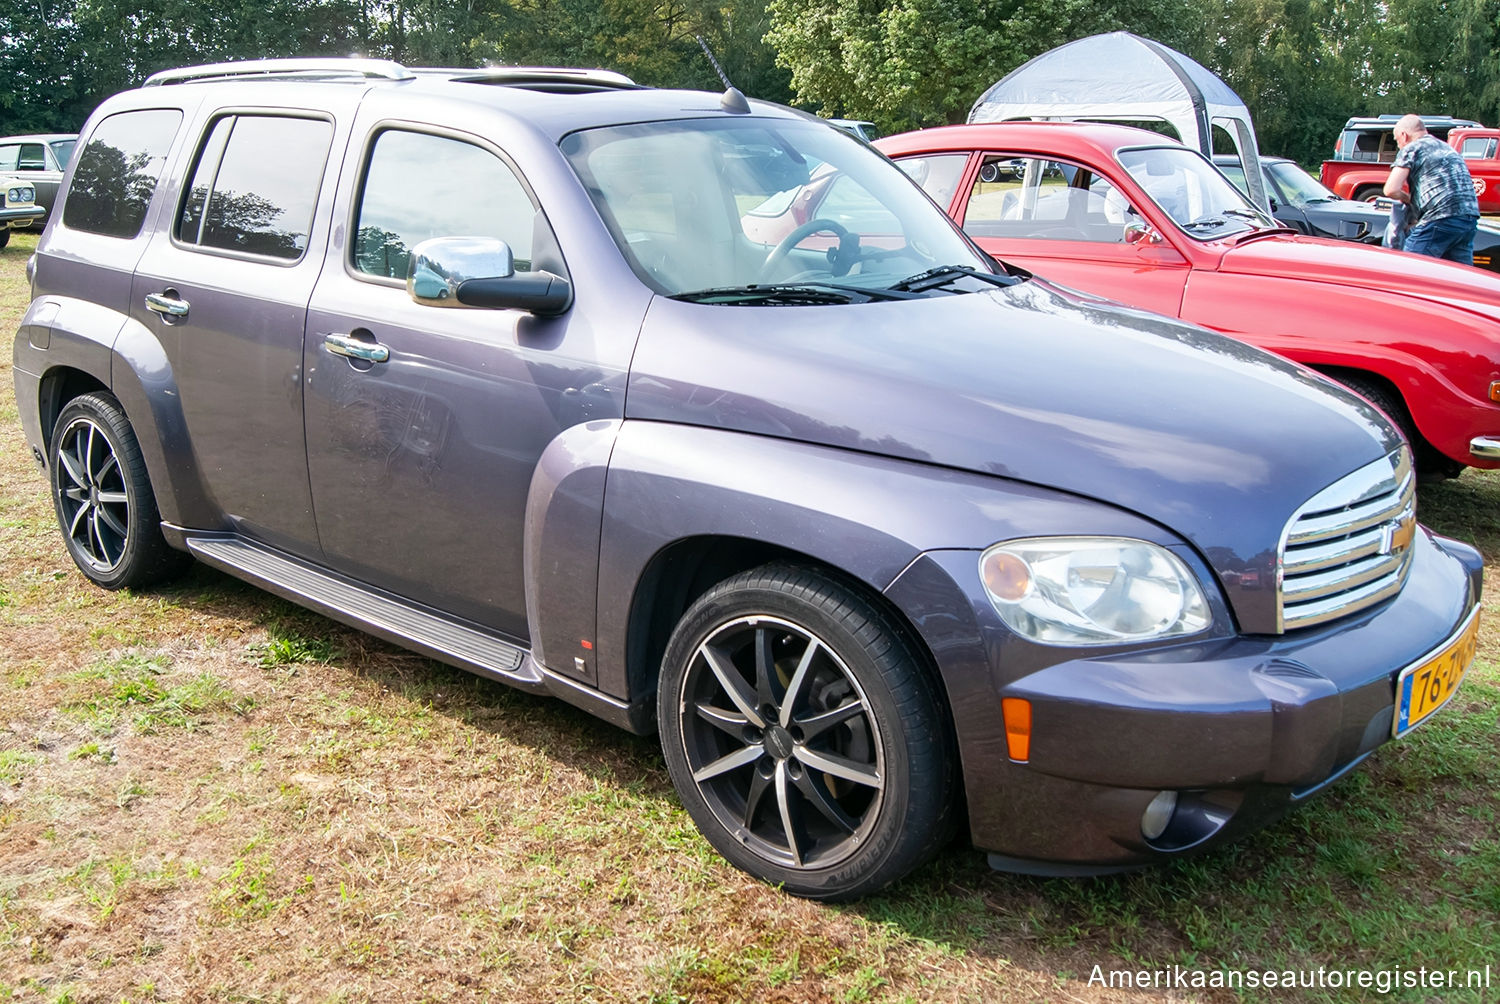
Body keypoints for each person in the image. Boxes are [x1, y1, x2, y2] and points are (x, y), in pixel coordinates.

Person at [1383, 114, 1480, 264]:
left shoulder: (1412, 148)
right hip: (1469, 218)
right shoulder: (1448, 149)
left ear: (1404, 135)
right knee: (1460, 278)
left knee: (1409, 269)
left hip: (1440, 218)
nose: (1398, 146)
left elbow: (1390, 189)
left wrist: (1407, 198)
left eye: (1397, 141)